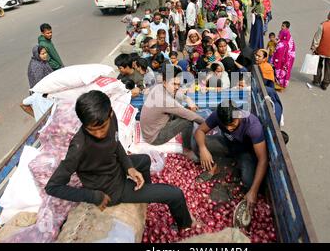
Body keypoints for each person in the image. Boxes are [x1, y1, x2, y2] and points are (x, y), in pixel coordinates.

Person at [45, 90, 194, 231]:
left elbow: (115, 144)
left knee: (144, 159)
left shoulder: (112, 117)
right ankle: (185, 225)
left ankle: (145, 198)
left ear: (110, 113)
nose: (99, 134)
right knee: (175, 194)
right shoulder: (78, 147)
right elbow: (52, 187)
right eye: (92, 130)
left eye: (102, 127)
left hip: (114, 167)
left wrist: (129, 167)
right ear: (83, 124)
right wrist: (93, 196)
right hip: (111, 190)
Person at [193, 100, 268, 210]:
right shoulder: (218, 115)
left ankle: (240, 167)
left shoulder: (253, 126)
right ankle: (214, 168)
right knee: (196, 144)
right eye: (225, 125)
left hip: (245, 153)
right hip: (227, 145)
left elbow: (263, 159)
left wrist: (253, 191)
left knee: (249, 182)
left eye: (232, 124)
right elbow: (200, 131)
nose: (229, 128)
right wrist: (203, 148)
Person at [140, 65, 205, 161]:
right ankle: (186, 150)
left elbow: (178, 93)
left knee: (185, 109)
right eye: (174, 84)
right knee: (188, 120)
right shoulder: (164, 100)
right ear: (165, 83)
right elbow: (189, 115)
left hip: (151, 128)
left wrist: (187, 98)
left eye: (178, 84)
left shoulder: (158, 87)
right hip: (155, 137)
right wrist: (206, 124)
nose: (177, 87)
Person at [271, 21, 296, 91]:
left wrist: (276, 42)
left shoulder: (285, 38)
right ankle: (279, 81)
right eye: (281, 25)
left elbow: (282, 43)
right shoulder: (283, 32)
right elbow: (280, 39)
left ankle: (281, 84)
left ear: (287, 28)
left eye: (283, 26)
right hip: (285, 54)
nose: (281, 27)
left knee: (282, 67)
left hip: (287, 56)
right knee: (281, 67)